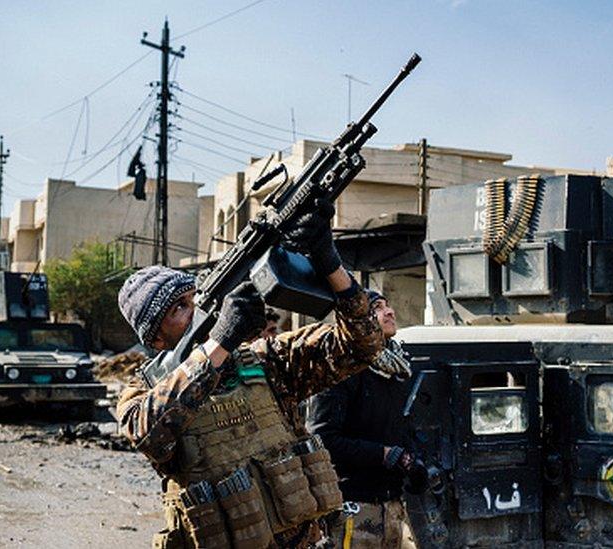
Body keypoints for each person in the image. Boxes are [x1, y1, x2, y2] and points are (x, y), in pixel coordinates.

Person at [116, 203, 384, 548]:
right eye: (178, 309)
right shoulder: (144, 391)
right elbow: (149, 434)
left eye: (194, 298)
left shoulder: (266, 360)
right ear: (155, 338)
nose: (196, 310)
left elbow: (363, 344)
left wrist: (328, 261)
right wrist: (220, 341)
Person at [306, 289, 421, 549]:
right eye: (378, 307)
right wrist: (382, 454)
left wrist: (414, 462)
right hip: (354, 510)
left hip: (392, 508)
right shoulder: (340, 368)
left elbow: (404, 430)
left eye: (388, 305)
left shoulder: (398, 369)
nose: (390, 311)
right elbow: (322, 440)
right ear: (356, 321)